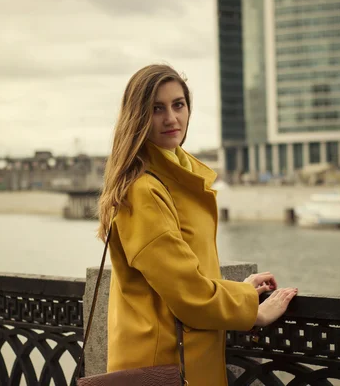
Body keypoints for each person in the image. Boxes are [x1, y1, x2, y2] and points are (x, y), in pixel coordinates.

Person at [97, 64, 297, 386]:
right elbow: (188, 292)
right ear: (137, 117)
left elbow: (187, 274)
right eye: (156, 109)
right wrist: (253, 310)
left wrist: (240, 290)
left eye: (179, 104)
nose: (171, 118)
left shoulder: (174, 176)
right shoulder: (144, 190)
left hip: (182, 357)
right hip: (164, 365)